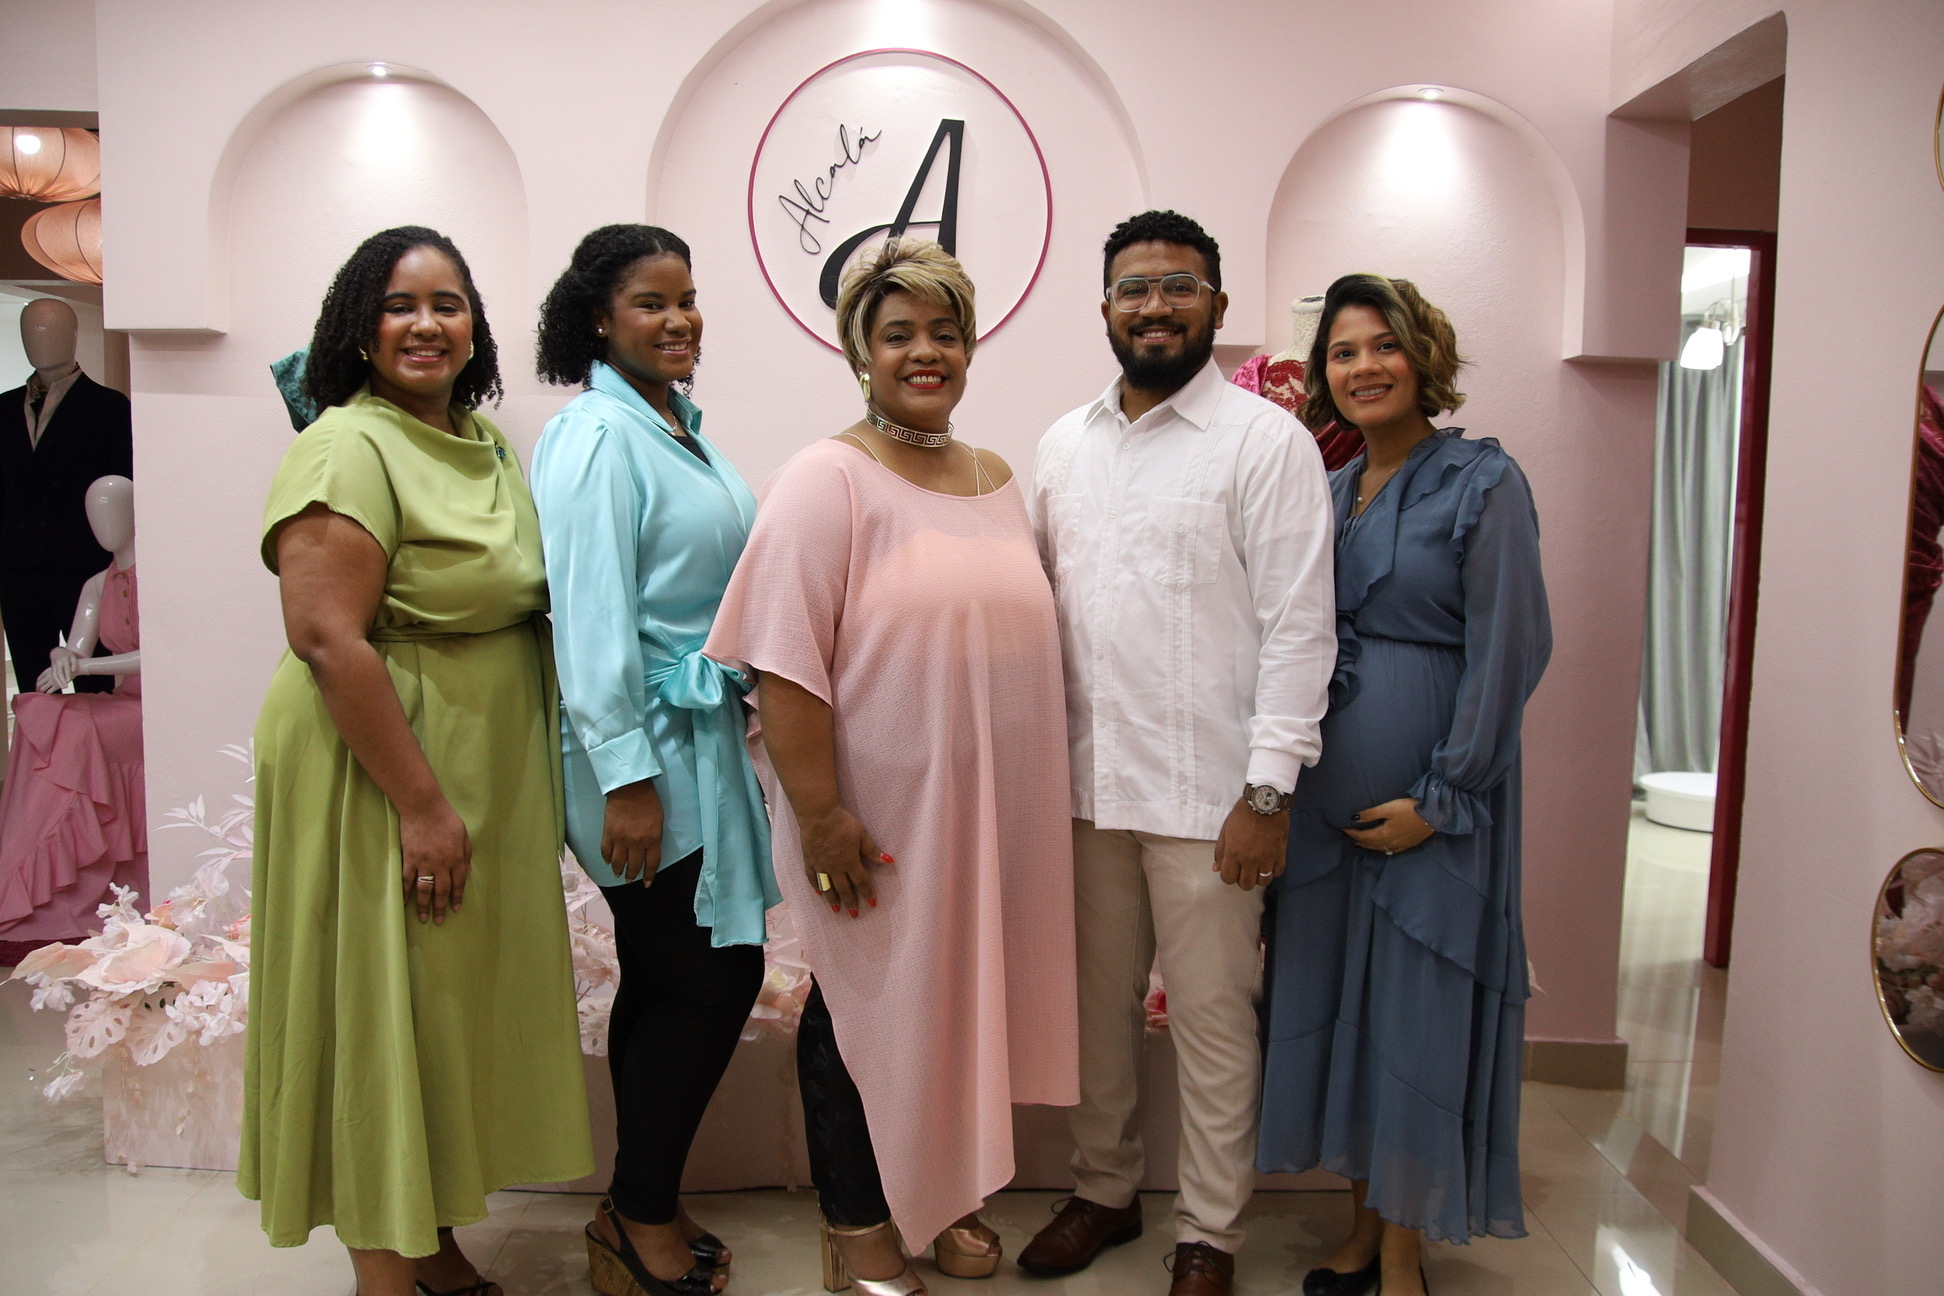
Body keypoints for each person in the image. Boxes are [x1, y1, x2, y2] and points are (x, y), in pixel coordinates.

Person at [704, 239, 1078, 1296]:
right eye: (899, 333)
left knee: (958, 1004)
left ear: (969, 349)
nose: (926, 352)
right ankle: (858, 1228)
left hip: (985, 815)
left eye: (945, 333)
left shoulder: (996, 478)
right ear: (859, 353)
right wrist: (820, 813)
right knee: (863, 1010)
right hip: (872, 815)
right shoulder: (826, 478)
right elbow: (782, 661)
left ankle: (946, 1196)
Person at [241, 226, 592, 1296]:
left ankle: (429, 1245)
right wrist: (423, 804)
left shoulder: (482, 442)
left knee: (436, 1015)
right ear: (359, 325)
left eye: (448, 303)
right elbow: (326, 637)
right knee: (379, 1009)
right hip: (381, 766)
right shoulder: (345, 445)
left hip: (470, 762)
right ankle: (384, 1274)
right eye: (399, 304)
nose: (427, 324)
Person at [1021, 210, 1336, 1296]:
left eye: (1178, 287)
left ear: (1217, 305)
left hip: (1214, 801)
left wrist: (1269, 791)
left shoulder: (1267, 444)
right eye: (1135, 288)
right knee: (1096, 1016)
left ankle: (1210, 1232)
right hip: (1086, 790)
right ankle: (1104, 1191)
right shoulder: (1063, 447)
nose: (1154, 306)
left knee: (1211, 1023)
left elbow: (1301, 630)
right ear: (1105, 306)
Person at [1256, 274, 1551, 1296]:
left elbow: (1511, 649)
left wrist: (1442, 796)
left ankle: (1403, 1251)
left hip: (1436, 810)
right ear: (1323, 374)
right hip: (1325, 814)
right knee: (1346, 1010)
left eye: (1383, 345)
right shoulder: (1330, 490)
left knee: (1417, 1016)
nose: (1364, 367)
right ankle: (1359, 1228)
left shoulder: (1483, 483)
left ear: (1423, 356)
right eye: (1343, 352)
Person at [531, 223, 777, 1296]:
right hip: (636, 754)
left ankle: (638, 1204)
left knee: (670, 973)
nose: (679, 320)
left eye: (687, 299)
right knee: (710, 977)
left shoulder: (672, 423)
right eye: (650, 303)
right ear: (598, 319)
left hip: (693, 740)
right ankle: (638, 1215)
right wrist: (625, 777)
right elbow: (588, 619)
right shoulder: (596, 435)